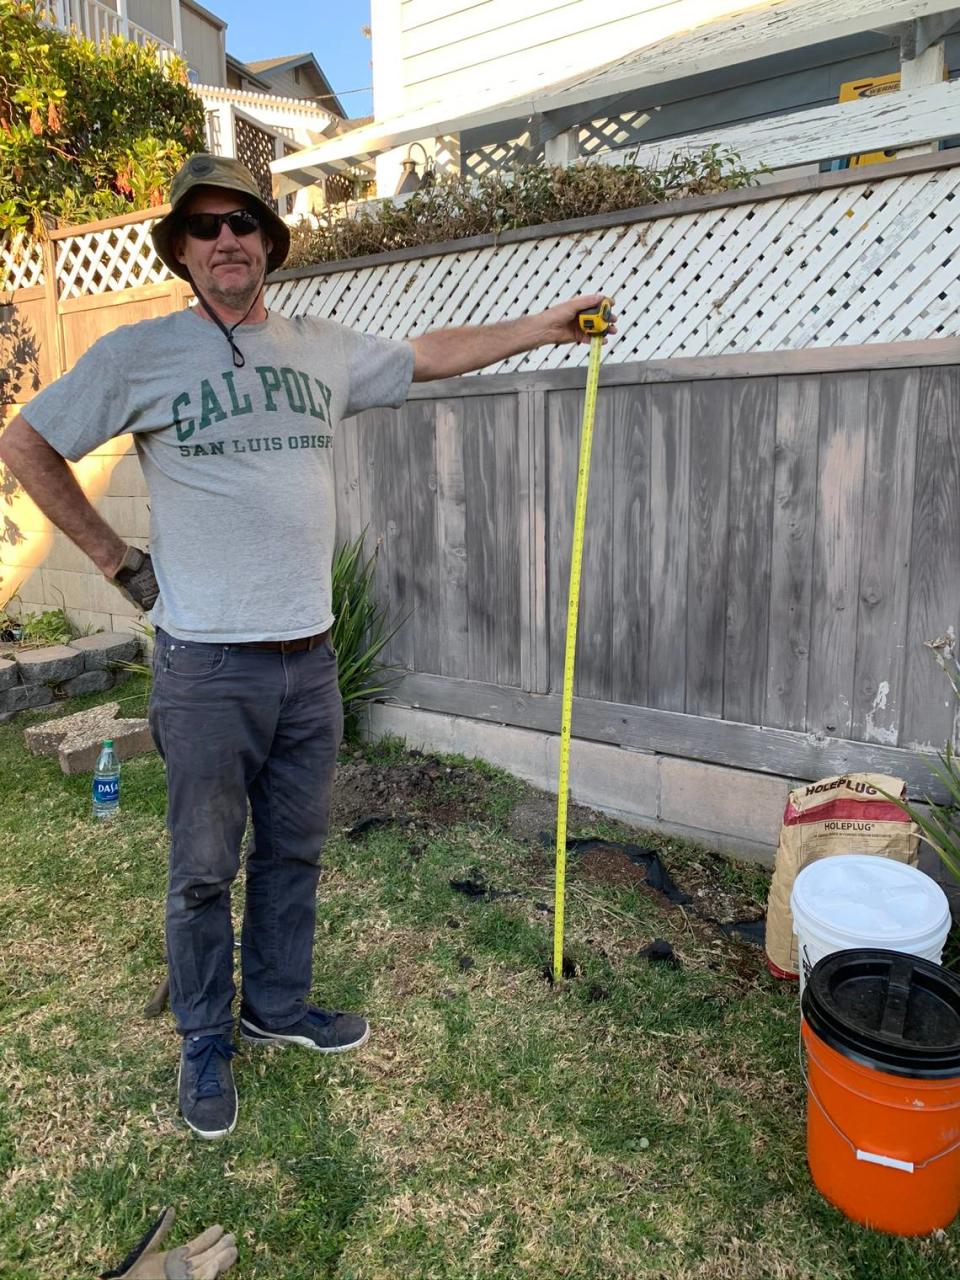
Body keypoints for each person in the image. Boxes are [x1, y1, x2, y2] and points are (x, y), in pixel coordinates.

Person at [0, 154, 614, 1140]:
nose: (225, 239)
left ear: (269, 240)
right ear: (182, 251)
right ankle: (206, 1037)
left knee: (294, 849)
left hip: (310, 661)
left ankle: (274, 1006)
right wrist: (119, 562)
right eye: (203, 227)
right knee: (203, 867)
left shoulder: (320, 348)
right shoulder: (139, 355)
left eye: (242, 221)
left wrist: (544, 324)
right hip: (206, 667)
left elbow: (428, 352)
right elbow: (27, 440)